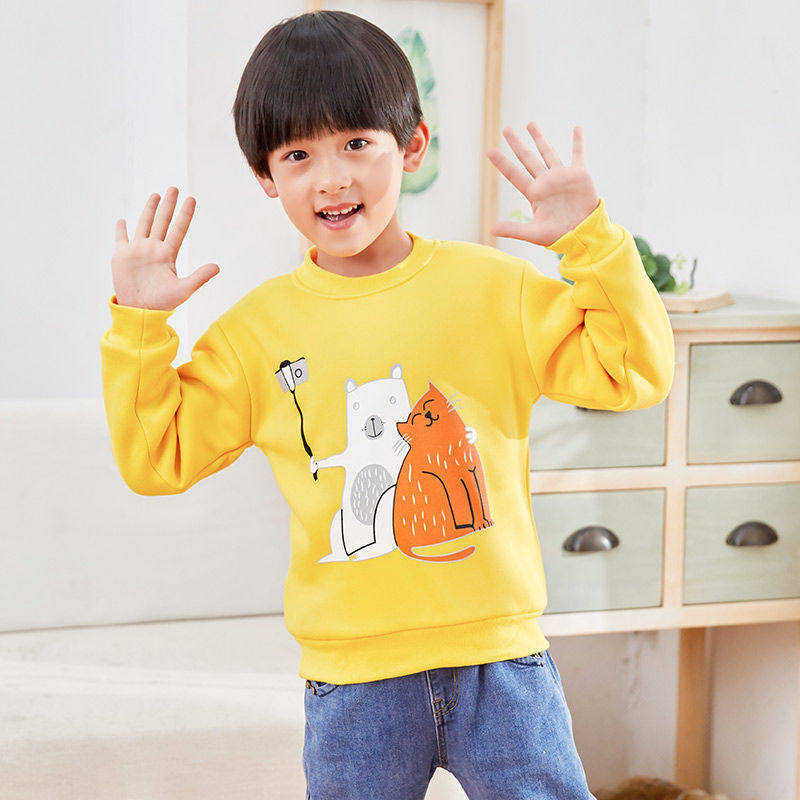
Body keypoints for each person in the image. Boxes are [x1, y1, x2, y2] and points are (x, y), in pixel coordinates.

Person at [100, 9, 674, 799]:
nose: (332, 178)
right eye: (298, 154)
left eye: (356, 143)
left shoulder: (493, 289)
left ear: (411, 146)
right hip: (354, 683)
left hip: (500, 662)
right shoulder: (255, 334)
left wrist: (592, 243)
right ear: (266, 178)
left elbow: (634, 373)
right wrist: (139, 327)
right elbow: (154, 460)